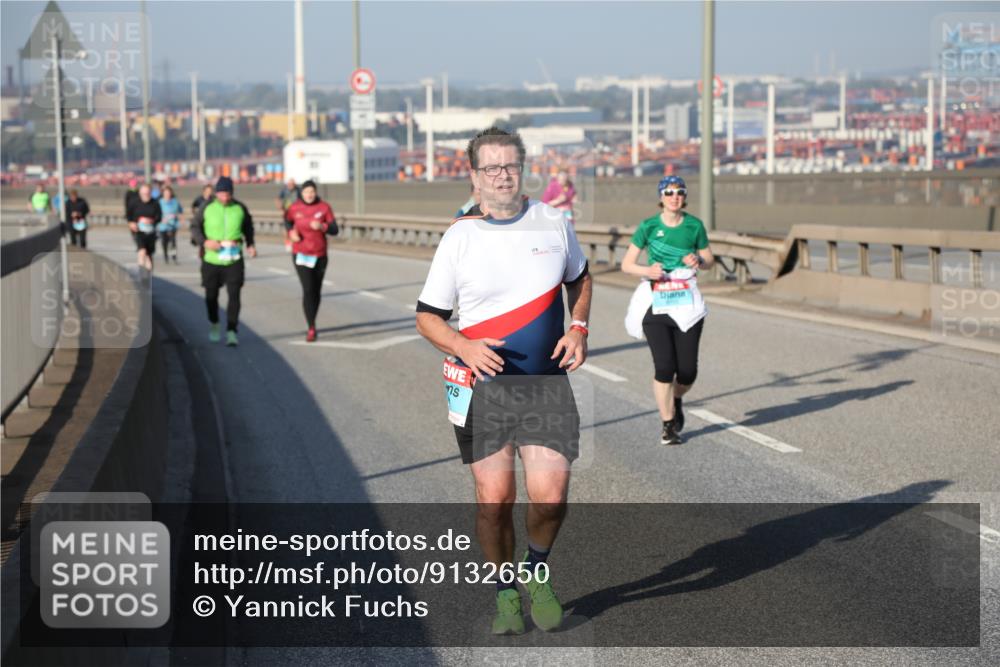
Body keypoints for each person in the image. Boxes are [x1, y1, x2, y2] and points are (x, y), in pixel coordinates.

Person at [415, 127, 592, 636]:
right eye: (489, 168)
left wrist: (578, 325)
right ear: (473, 176)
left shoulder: (554, 222)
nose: (500, 176)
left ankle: (536, 570)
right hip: (480, 387)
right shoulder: (459, 237)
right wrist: (463, 346)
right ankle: (505, 593)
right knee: (494, 500)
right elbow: (427, 317)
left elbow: (580, 277)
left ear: (522, 168)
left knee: (551, 495)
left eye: (509, 166)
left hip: (544, 383)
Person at [621, 175, 715, 446]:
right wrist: (646, 270)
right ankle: (667, 424)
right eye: (669, 192)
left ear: (684, 196)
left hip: (686, 302)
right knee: (664, 366)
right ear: (661, 196)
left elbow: (709, 260)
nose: (675, 196)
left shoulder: (694, 225)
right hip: (656, 302)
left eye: (679, 192)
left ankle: (676, 397)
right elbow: (627, 264)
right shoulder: (649, 226)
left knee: (687, 372)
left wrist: (698, 259)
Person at [191, 176, 257, 346]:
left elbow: (248, 227)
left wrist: (250, 244)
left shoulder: (239, 208)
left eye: (227, 194)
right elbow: (195, 227)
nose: (225, 197)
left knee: (234, 295)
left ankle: (232, 331)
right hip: (212, 259)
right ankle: (214, 323)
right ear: (216, 193)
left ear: (232, 193)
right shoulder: (207, 207)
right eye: (221, 194)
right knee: (210, 297)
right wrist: (205, 242)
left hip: (234, 259)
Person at [284, 180, 337, 342]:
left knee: (316, 290)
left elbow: (335, 229)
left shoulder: (324, 207)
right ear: (302, 193)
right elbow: (287, 221)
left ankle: (312, 319)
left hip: (320, 255)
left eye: (312, 192)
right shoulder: (294, 207)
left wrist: (322, 227)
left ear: (315, 192)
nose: (309, 195)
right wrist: (291, 233)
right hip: (301, 254)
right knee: (308, 289)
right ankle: (311, 327)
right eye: (306, 192)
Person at [126, 183, 162, 272]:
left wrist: (152, 221)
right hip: (138, 231)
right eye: (143, 193)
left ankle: (149, 275)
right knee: (142, 252)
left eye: (147, 193)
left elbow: (159, 216)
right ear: (140, 193)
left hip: (151, 232)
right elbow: (128, 215)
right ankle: (141, 274)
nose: (145, 195)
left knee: (149, 255)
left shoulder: (155, 203)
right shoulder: (134, 202)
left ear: (150, 193)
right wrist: (131, 223)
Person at [157, 185, 182, 263]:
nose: (167, 194)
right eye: (166, 193)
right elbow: (156, 212)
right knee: (164, 241)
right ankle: (166, 256)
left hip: (173, 224)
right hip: (163, 225)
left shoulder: (175, 201)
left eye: (168, 193)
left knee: (173, 241)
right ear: (163, 193)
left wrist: (176, 216)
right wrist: (161, 219)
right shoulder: (159, 202)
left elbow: (180, 211)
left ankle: (174, 257)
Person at [276, 178, 300, 253]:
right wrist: (280, 208)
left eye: (292, 184)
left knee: (296, 228)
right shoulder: (284, 191)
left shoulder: (298, 191)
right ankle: (288, 243)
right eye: (289, 184)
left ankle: (294, 243)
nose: (290, 186)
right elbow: (278, 199)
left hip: (296, 213)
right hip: (287, 212)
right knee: (287, 229)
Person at [190, 184, 214, 249]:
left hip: (210, 221)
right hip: (201, 221)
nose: (209, 192)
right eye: (207, 191)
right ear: (204, 191)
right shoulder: (199, 199)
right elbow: (193, 206)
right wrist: (195, 214)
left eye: (210, 191)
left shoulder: (214, 199)